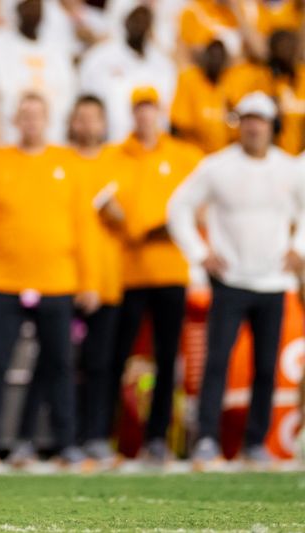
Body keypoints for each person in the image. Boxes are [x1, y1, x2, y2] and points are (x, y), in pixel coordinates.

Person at [0, 92, 99, 473]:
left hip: (58, 282)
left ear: (48, 118)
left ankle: (65, 444)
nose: (31, 121)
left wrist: (90, 279)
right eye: (25, 114)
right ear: (16, 119)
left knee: (61, 366)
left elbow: (85, 226)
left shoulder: (68, 164)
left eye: (38, 114)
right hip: (2, 282)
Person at [168, 92, 305, 470]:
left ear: (272, 125)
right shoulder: (217, 167)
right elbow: (177, 207)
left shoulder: (290, 169)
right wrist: (200, 253)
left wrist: (300, 248)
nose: (253, 125)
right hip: (229, 280)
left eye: (260, 119)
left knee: (265, 366)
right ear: (239, 124)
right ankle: (207, 440)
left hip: (274, 282)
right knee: (217, 362)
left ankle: (255, 442)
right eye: (247, 118)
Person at [102, 86, 202, 464]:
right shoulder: (116, 154)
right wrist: (125, 222)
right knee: (117, 357)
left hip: (169, 271)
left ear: (159, 113)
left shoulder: (184, 155)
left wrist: (167, 228)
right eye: (139, 109)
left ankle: (157, 437)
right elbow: (99, 196)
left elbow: (199, 205)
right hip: (128, 274)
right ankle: (107, 436)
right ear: (133, 114)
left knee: (166, 358)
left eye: (150, 109)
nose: (145, 116)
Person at [65, 95, 124, 463]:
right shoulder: (60, 161)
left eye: (94, 118)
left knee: (103, 365)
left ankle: (98, 435)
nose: (87, 125)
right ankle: (65, 437)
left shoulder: (118, 161)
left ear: (104, 123)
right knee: (62, 365)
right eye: (81, 117)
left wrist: (120, 213)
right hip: (64, 280)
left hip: (107, 282)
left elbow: (133, 217)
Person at [0, 0, 77, 145]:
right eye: (28, 6)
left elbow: (69, 94)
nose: (33, 12)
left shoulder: (57, 50)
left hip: (53, 144)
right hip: (7, 143)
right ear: (16, 9)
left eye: (37, 6)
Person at [79, 5, 176, 142]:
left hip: (152, 148)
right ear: (125, 22)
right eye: (135, 20)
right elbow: (87, 102)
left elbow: (167, 112)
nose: (139, 25)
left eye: (144, 21)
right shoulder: (99, 58)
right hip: (112, 146)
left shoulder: (163, 65)